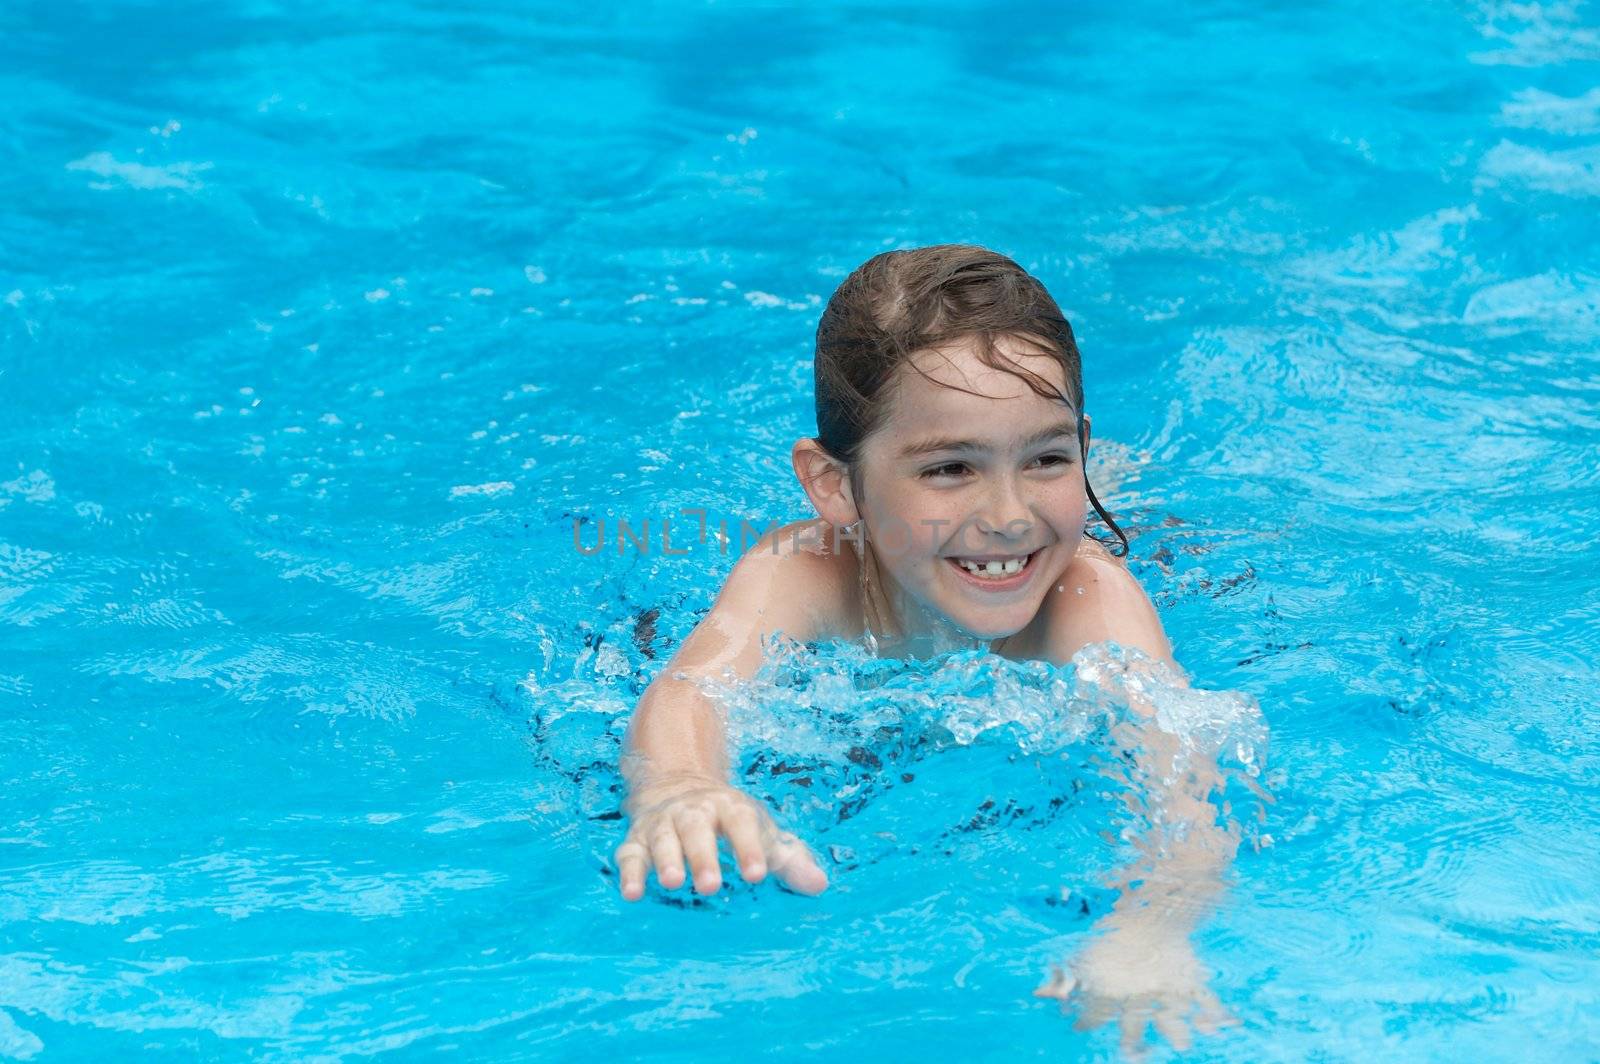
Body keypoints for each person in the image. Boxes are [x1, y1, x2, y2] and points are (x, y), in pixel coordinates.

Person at [613, 244, 1241, 1049]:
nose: (1009, 513)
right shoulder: (802, 572)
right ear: (835, 485)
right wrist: (681, 787)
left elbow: (1180, 763)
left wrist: (1152, 927)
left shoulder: (1087, 598)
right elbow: (693, 686)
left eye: (1050, 457)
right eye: (950, 468)